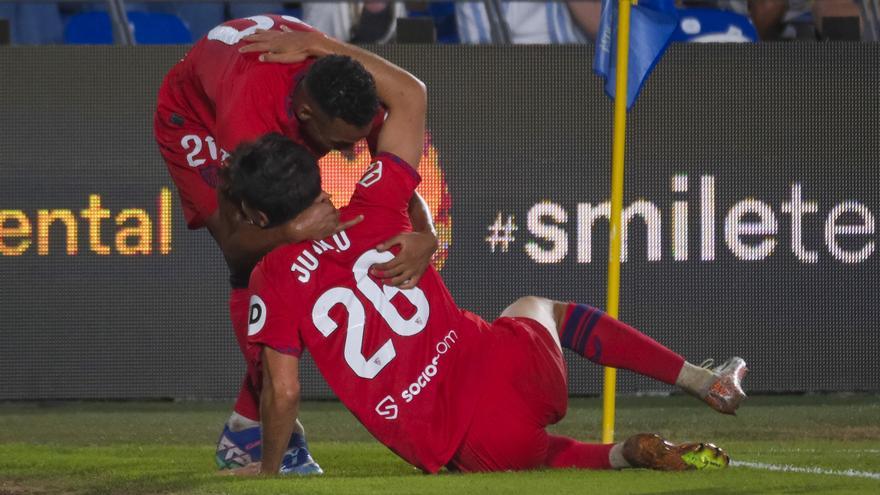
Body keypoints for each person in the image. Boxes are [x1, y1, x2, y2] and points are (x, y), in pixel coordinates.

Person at [226, 64, 747, 475]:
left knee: (538, 453)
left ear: (261, 215)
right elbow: (409, 94)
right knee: (538, 309)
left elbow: (285, 391)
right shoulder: (374, 202)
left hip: (465, 441)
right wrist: (317, 44)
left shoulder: (271, 277)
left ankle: (617, 453)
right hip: (512, 371)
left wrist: (268, 472)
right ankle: (700, 381)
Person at [154, 14, 439, 473]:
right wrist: (289, 231)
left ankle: (246, 427)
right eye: (341, 143)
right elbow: (236, 243)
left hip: (280, 73)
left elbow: (399, 145)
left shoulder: (345, 89)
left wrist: (425, 232)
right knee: (267, 261)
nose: (350, 152)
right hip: (194, 119)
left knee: (311, 251)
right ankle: (265, 437)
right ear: (307, 116)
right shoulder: (247, 123)